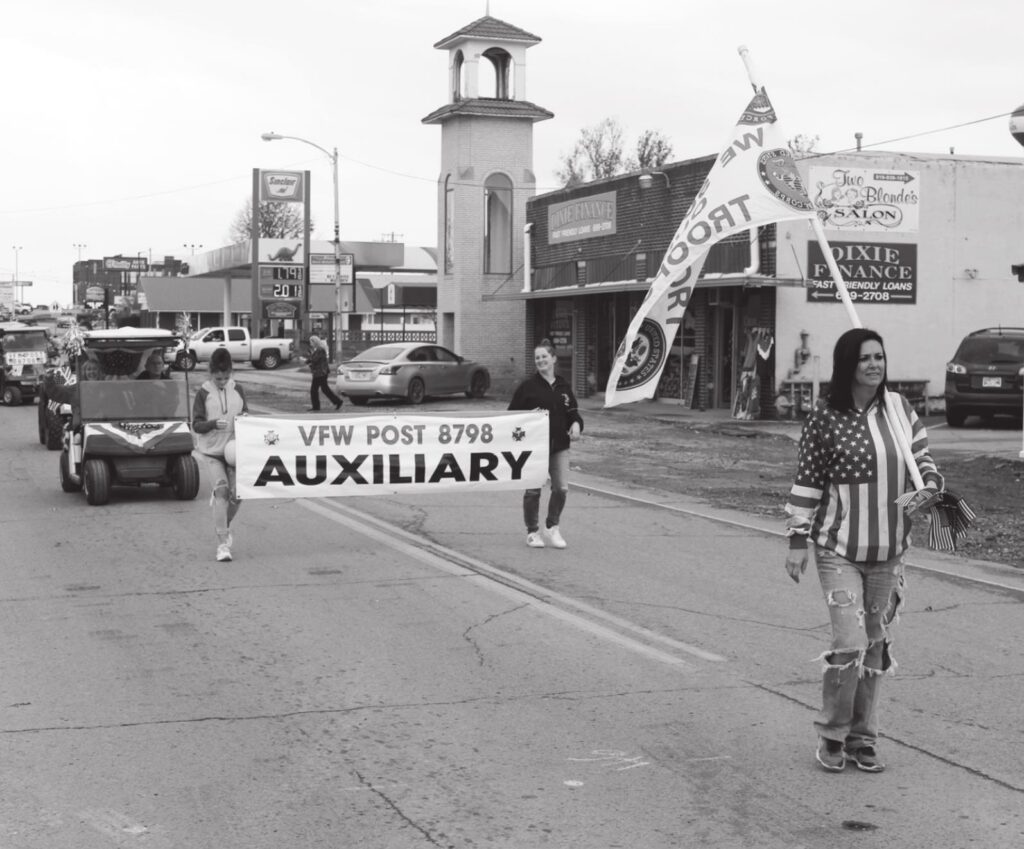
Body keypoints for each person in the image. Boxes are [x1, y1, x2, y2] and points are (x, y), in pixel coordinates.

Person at [784, 327, 943, 774]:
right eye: (864, 358)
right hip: (839, 550)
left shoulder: (899, 409)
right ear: (847, 365)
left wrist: (929, 486)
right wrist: (797, 540)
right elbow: (808, 482)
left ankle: (862, 738)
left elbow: (922, 460)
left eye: (879, 357)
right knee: (850, 642)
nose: (874, 364)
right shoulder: (824, 418)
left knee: (874, 646)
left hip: (889, 552)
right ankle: (833, 734)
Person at [507, 339, 584, 549]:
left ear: (553, 359)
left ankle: (552, 526)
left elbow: (573, 413)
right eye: (537, 358)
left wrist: (576, 425)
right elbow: (511, 416)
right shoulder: (527, 387)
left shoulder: (563, 386)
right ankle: (532, 531)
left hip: (559, 446)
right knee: (533, 491)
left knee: (561, 489)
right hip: (534, 449)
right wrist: (527, 418)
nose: (540, 361)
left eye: (544, 357)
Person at [192, 348, 249, 562]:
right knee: (223, 491)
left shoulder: (239, 390)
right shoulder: (203, 393)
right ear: (211, 372)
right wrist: (213, 424)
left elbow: (247, 416)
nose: (223, 381)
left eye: (226, 377)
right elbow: (196, 425)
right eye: (218, 378)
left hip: (234, 450)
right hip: (212, 451)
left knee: (239, 494)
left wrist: (243, 418)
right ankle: (222, 544)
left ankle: (223, 521)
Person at [303, 335, 342, 411]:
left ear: (315, 342)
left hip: (320, 373)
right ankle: (337, 401)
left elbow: (315, 360)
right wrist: (309, 360)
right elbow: (313, 360)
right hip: (320, 373)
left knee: (314, 390)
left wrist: (307, 360)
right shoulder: (318, 349)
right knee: (324, 389)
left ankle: (316, 407)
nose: (310, 343)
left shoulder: (320, 350)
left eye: (311, 342)